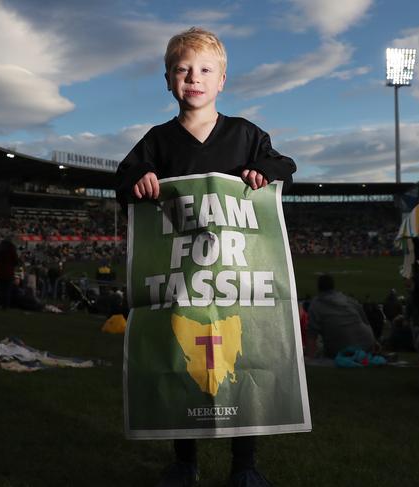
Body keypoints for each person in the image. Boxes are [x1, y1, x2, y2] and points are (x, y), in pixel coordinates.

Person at [115, 27, 296, 487]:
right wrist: (140, 179)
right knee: (182, 360)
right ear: (168, 80)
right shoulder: (158, 140)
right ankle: (184, 460)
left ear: (222, 81)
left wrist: (264, 170)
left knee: (241, 361)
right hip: (183, 276)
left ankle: (245, 464)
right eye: (182, 70)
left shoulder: (246, 134)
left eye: (204, 70)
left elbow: (284, 166)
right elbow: (125, 177)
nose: (193, 78)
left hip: (236, 272)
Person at [308, 274, 377, 359]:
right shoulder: (347, 299)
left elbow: (312, 336)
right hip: (367, 345)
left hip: (341, 350)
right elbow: (366, 323)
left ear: (318, 288)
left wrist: (310, 359)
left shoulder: (315, 305)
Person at [0, 235, 19, 310]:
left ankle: (0, 303)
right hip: (9, 271)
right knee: (7, 289)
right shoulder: (12, 248)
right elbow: (16, 260)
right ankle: (5, 305)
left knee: (1, 288)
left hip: (0, 270)